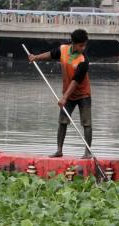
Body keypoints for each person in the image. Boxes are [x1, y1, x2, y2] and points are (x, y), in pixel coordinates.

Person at [28, 29, 92, 159]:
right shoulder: (63, 50)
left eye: (85, 45)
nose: (83, 48)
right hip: (68, 95)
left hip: (83, 94)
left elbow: (75, 81)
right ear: (73, 43)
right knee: (62, 121)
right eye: (81, 45)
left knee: (87, 123)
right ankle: (59, 150)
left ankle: (87, 152)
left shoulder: (83, 60)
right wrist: (36, 57)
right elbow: (51, 54)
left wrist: (64, 97)